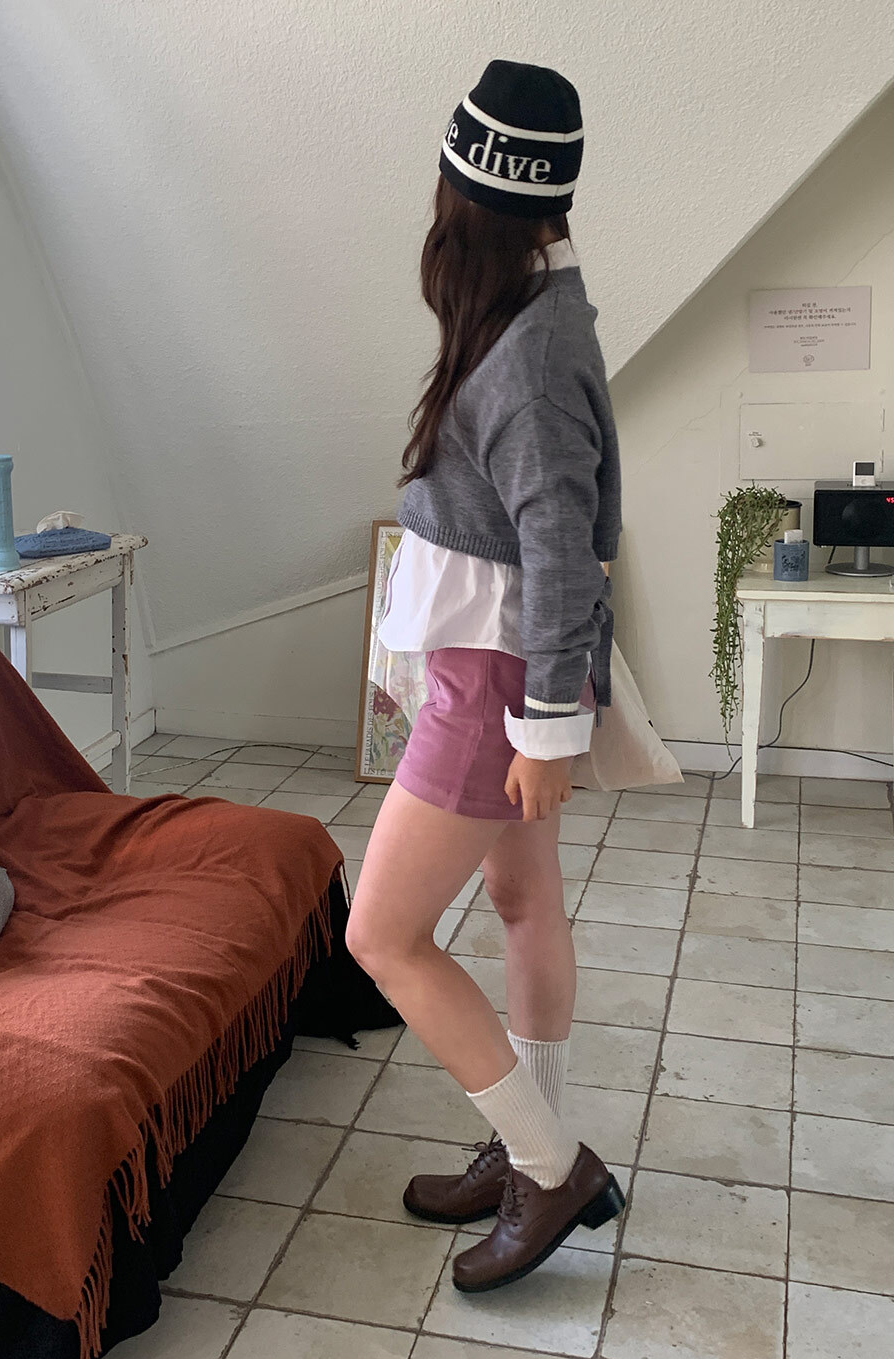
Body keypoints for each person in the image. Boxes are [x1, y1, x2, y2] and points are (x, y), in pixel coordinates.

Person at [346, 60, 624, 1292]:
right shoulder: (533, 310)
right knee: (520, 902)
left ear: (470, 200)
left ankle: (549, 1164)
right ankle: (527, 1144)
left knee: (380, 932)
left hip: (495, 685)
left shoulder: (528, 349)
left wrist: (545, 726)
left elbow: (562, 546)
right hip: (497, 674)